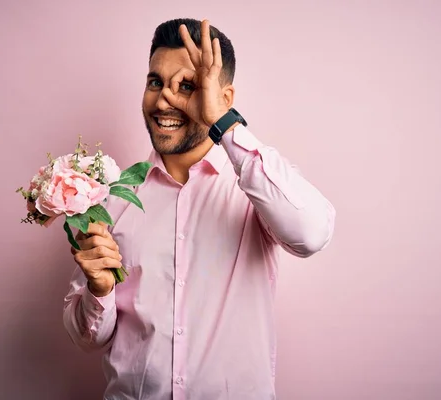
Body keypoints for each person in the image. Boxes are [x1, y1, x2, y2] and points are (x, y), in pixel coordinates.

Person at [63, 17, 335, 400]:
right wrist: (100, 289)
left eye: (187, 86)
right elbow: (85, 338)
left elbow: (312, 234)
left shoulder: (258, 187)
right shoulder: (113, 198)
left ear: (223, 99)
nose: (163, 100)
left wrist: (222, 124)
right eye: (155, 82)